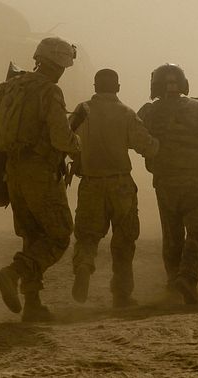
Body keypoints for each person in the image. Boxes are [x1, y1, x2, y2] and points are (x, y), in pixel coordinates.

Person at [0, 36, 81, 322]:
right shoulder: (50, 92)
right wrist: (78, 145)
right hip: (41, 174)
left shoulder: (13, 85)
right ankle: (12, 274)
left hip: (13, 173)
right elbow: (61, 137)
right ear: (59, 64)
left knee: (32, 236)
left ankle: (33, 304)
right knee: (59, 235)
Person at [138, 64, 198, 305]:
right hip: (197, 179)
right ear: (183, 83)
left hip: (165, 181)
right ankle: (187, 278)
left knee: (172, 234)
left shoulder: (148, 112)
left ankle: (172, 283)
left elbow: (136, 139)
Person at [69, 68, 159, 308]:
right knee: (124, 239)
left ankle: (84, 267)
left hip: (90, 182)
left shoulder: (81, 111)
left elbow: (66, 139)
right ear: (117, 87)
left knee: (87, 236)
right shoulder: (126, 113)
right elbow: (147, 147)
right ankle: (121, 293)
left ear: (95, 86)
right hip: (120, 184)